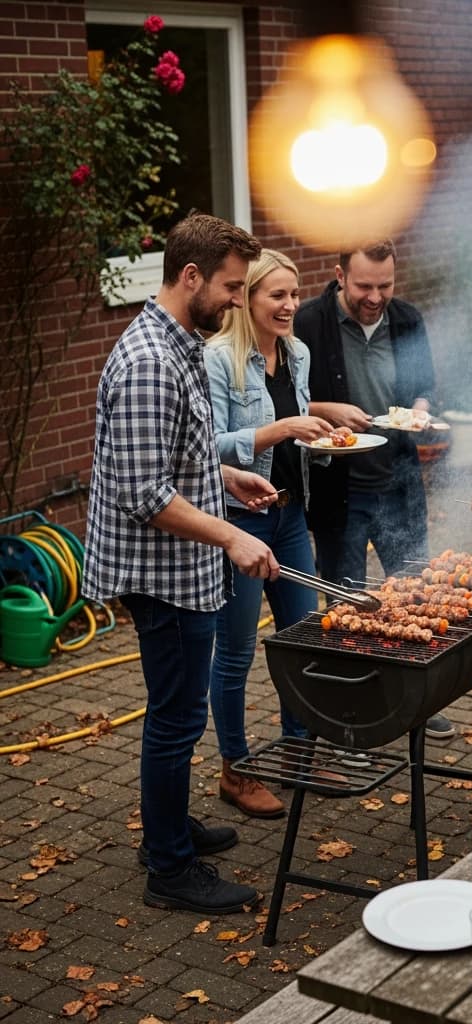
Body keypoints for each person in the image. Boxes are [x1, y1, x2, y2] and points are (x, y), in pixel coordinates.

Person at [83, 212, 279, 914]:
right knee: (174, 719)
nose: (236, 301)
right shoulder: (147, 361)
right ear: (190, 276)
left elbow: (174, 460)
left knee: (179, 713)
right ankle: (168, 867)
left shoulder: (182, 342)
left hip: (183, 566)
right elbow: (142, 493)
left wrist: (228, 481)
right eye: (230, 287)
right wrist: (230, 537)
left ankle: (170, 827)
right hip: (160, 575)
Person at [295, 239, 453, 739]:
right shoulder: (306, 323)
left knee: (413, 592)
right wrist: (326, 410)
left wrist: (422, 409)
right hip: (338, 487)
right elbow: (290, 400)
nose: (375, 296)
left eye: (385, 285)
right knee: (347, 602)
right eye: (364, 285)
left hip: (397, 481)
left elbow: (424, 384)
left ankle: (418, 702)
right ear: (341, 276)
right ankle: (351, 714)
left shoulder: (407, 318)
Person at [205, 250, 339, 819]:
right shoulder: (216, 359)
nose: (290, 306)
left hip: (289, 515)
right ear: (248, 299)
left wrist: (318, 437)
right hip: (239, 519)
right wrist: (279, 429)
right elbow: (204, 446)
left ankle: (299, 752)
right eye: (276, 296)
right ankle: (236, 770)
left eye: (294, 294)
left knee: (302, 639)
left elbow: (298, 426)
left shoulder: (297, 352)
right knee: (235, 652)